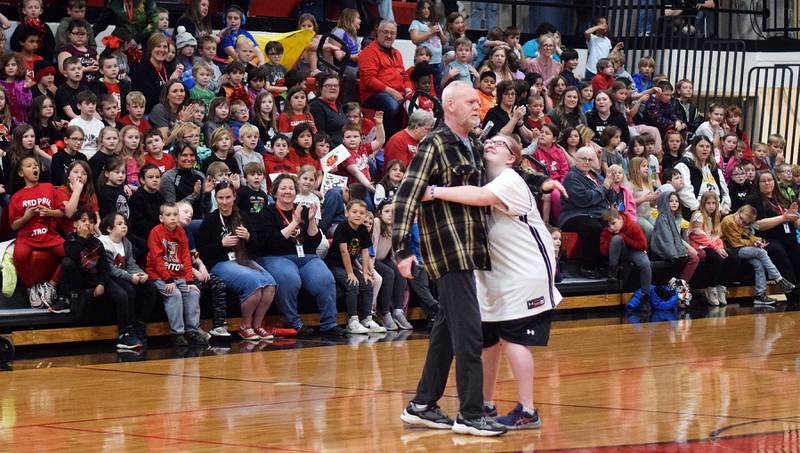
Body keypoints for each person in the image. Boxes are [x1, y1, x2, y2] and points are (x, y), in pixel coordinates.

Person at [417, 133, 563, 430]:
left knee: (514, 339)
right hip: (496, 274)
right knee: (488, 341)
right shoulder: (485, 177)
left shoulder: (509, 178)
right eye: (489, 141)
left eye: (500, 144)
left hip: (526, 272)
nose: (490, 144)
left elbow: (483, 197)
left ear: (512, 157)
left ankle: (527, 410)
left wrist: (435, 191)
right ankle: (483, 404)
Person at [393, 81, 507, 436]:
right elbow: (405, 196)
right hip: (448, 249)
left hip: (472, 247)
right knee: (469, 333)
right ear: (451, 106)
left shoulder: (472, 144)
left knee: (445, 329)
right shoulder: (434, 143)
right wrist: (402, 250)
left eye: (479, 102)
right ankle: (471, 414)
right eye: (472, 102)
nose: (478, 107)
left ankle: (423, 404)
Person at [255, 174, 345, 337]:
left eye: (291, 188)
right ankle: (293, 323)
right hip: (276, 256)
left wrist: (310, 221)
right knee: (289, 277)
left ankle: (329, 323)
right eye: (283, 188)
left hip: (305, 256)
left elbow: (313, 242)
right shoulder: (266, 213)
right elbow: (270, 242)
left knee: (325, 278)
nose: (287, 191)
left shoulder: (302, 209)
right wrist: (295, 223)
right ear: (275, 192)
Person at [196, 181, 276, 341]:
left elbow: (256, 248)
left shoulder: (243, 217)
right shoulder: (210, 220)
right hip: (219, 262)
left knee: (270, 283)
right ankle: (245, 326)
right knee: (254, 283)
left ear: (234, 197)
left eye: (228, 197)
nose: (224, 202)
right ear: (216, 199)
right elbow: (201, 252)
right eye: (220, 198)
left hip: (242, 259)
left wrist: (249, 237)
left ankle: (257, 325)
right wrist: (221, 244)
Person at [146, 202, 206, 346]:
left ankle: (192, 331)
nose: (172, 218)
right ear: (161, 218)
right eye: (168, 215)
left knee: (193, 293)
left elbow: (186, 256)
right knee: (175, 294)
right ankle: (177, 333)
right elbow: (156, 258)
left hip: (178, 274)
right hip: (159, 275)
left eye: (175, 214)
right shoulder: (155, 232)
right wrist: (167, 279)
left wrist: (189, 281)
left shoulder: (181, 232)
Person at [721, 204, 796, 305]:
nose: (741, 223)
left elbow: (748, 235)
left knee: (758, 264)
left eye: (744, 223)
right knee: (761, 252)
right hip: (730, 250)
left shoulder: (741, 222)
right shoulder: (728, 221)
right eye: (741, 219)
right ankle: (778, 278)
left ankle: (760, 295)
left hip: (739, 249)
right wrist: (753, 243)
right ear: (738, 212)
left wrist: (757, 240)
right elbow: (736, 243)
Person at [559, 147, 615, 278]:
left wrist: (611, 185)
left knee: (617, 223)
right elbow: (585, 200)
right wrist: (605, 187)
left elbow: (609, 197)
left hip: (596, 213)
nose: (587, 162)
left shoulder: (595, 175)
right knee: (593, 228)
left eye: (590, 159)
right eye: (584, 159)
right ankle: (588, 267)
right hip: (574, 214)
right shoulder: (572, 178)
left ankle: (609, 264)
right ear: (575, 160)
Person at [359, 20, 411, 139]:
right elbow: (369, 80)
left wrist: (408, 88)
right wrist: (392, 92)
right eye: (385, 32)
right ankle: (386, 141)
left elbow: (404, 75)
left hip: (397, 92)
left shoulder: (397, 53)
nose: (389, 36)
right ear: (378, 32)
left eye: (392, 33)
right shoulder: (369, 52)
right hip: (374, 94)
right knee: (392, 106)